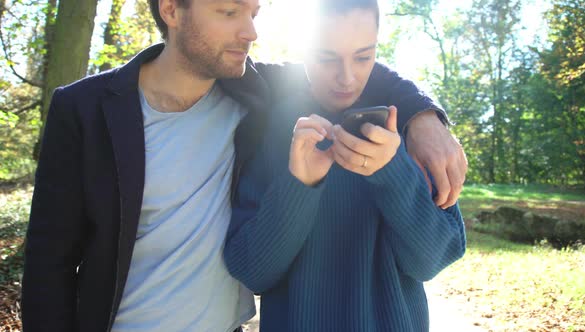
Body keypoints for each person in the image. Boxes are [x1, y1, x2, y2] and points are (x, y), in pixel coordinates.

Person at [21, 0, 465, 331]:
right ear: (172, 9)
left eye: (253, 11)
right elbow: (48, 262)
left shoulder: (259, 95)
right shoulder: (84, 108)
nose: (251, 31)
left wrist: (425, 116)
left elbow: (349, 64)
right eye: (230, 12)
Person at [223, 0, 466, 331]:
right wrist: (299, 185)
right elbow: (252, 272)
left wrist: (393, 172)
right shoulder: (271, 124)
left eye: (364, 56)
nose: (347, 78)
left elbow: (432, 260)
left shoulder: (407, 127)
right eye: (327, 58)